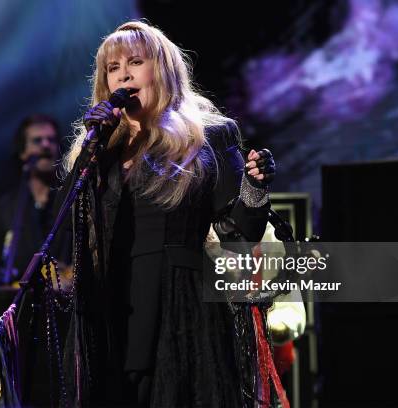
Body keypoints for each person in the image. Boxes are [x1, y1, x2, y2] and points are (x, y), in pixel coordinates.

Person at [50, 21, 277, 407]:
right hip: (109, 308)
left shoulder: (209, 136)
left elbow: (239, 235)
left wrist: (254, 189)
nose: (123, 73)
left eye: (136, 62)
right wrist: (92, 149)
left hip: (181, 306)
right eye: (113, 67)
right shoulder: (100, 148)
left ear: (163, 70)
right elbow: (62, 236)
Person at [0, 114, 70, 289]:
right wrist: (1, 294)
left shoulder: (70, 200)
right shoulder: (3, 210)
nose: (46, 145)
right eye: (37, 140)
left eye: (51, 140)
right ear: (23, 153)